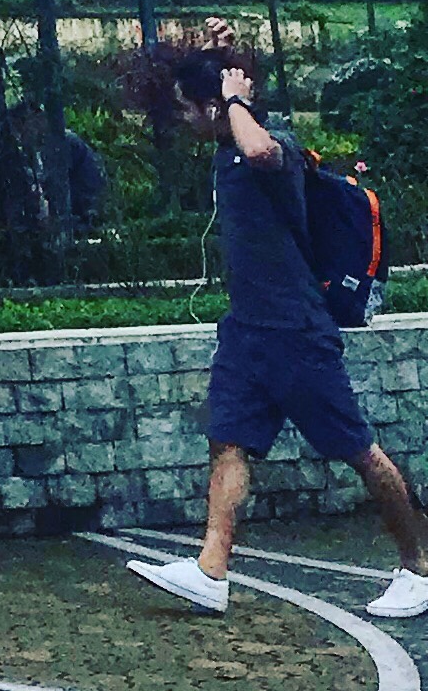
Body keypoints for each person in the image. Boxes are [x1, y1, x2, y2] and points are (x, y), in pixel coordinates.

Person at [123, 51, 428, 622]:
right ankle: (211, 572)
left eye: (190, 108)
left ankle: (419, 566)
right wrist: (226, 54)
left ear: (217, 107)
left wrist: (234, 99)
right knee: (228, 440)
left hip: (295, 330)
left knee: (357, 450)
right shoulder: (225, 149)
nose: (184, 119)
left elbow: (260, 147)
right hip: (248, 332)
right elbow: (236, 122)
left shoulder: (273, 145)